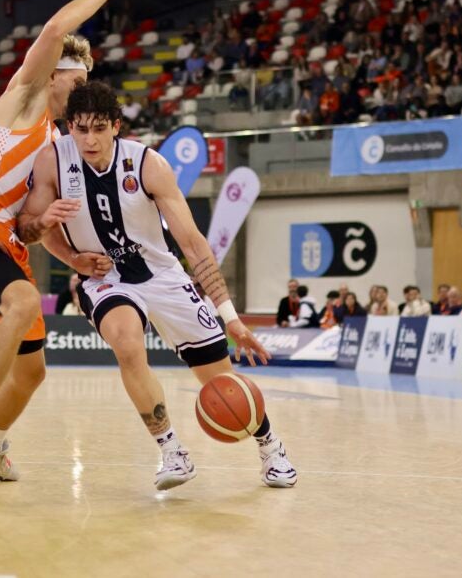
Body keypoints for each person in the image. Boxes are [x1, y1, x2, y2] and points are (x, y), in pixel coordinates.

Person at [17, 80, 296, 489]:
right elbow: (27, 229)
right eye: (80, 129)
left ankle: (270, 446)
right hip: (104, 277)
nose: (89, 139)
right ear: (69, 127)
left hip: (161, 273)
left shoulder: (148, 165)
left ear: (116, 126)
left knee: (219, 379)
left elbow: (192, 244)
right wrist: (65, 249)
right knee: (127, 343)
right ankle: (171, 451)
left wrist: (231, 319)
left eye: (98, 128)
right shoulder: (51, 162)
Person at [0, 0, 132, 480]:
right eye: (79, 78)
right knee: (22, 300)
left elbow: (30, 226)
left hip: (6, 241)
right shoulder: (22, 99)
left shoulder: (53, 143)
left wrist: (71, 256)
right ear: (54, 75)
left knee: (31, 371)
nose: (85, 86)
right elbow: (52, 31)